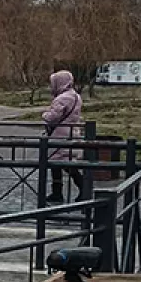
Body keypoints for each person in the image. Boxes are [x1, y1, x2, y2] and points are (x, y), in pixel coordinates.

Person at [41, 69, 84, 203]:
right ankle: (58, 191)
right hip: (71, 132)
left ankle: (81, 188)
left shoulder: (62, 99)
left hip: (59, 134)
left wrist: (44, 115)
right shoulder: (76, 96)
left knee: (62, 163)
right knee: (62, 163)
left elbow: (52, 117)